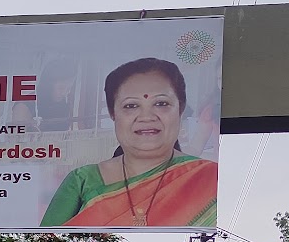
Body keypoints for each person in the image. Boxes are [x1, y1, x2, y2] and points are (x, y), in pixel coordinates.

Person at [41, 57, 217, 227]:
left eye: (161, 103)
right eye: (131, 106)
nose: (147, 117)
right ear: (112, 113)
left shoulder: (211, 178)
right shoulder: (82, 181)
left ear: (181, 108)